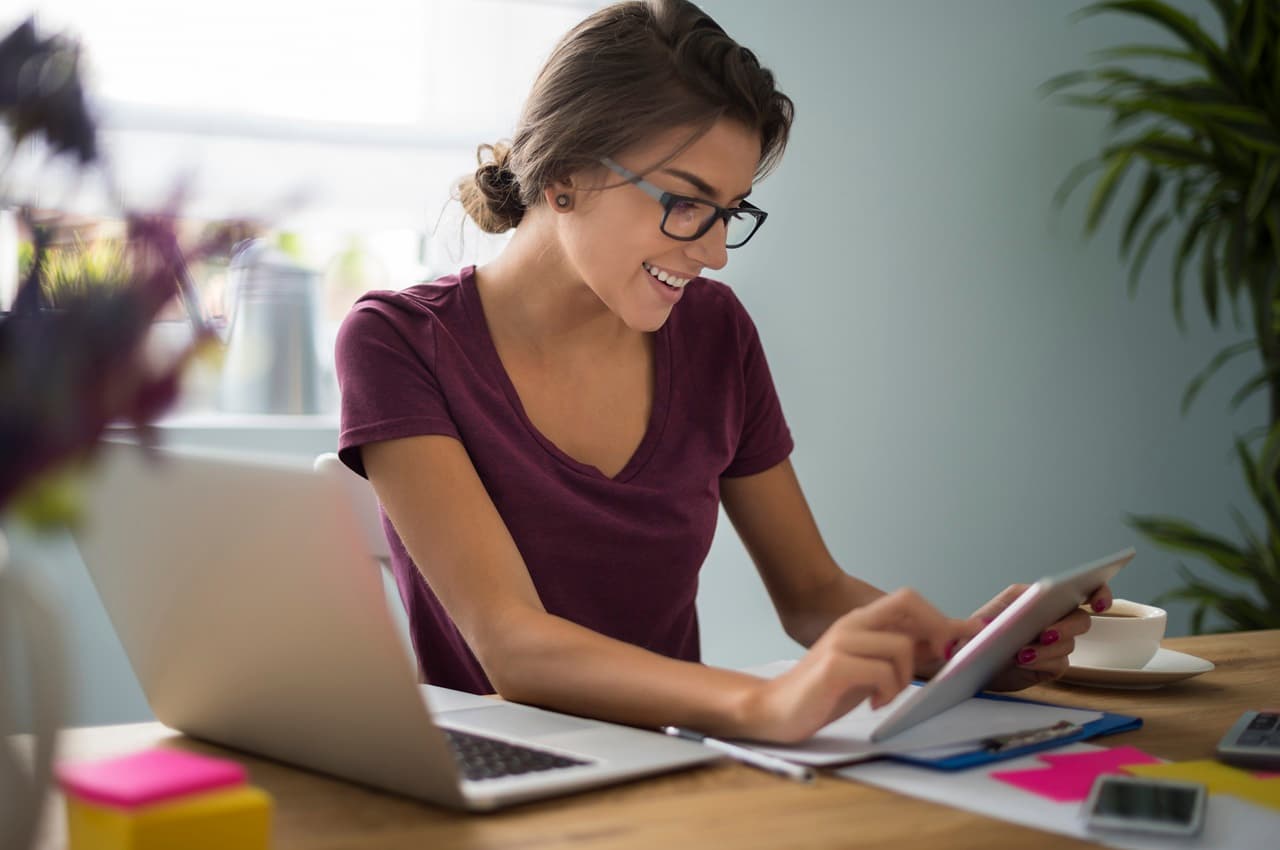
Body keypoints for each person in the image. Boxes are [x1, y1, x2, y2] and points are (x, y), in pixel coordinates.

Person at [335, 0, 1111, 744]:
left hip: (686, 766)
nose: (713, 252)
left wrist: (967, 652)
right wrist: (764, 704)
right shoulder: (399, 342)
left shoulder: (715, 333)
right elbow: (511, 645)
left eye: (731, 211)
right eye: (685, 202)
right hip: (502, 786)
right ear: (565, 173)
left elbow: (811, 594)